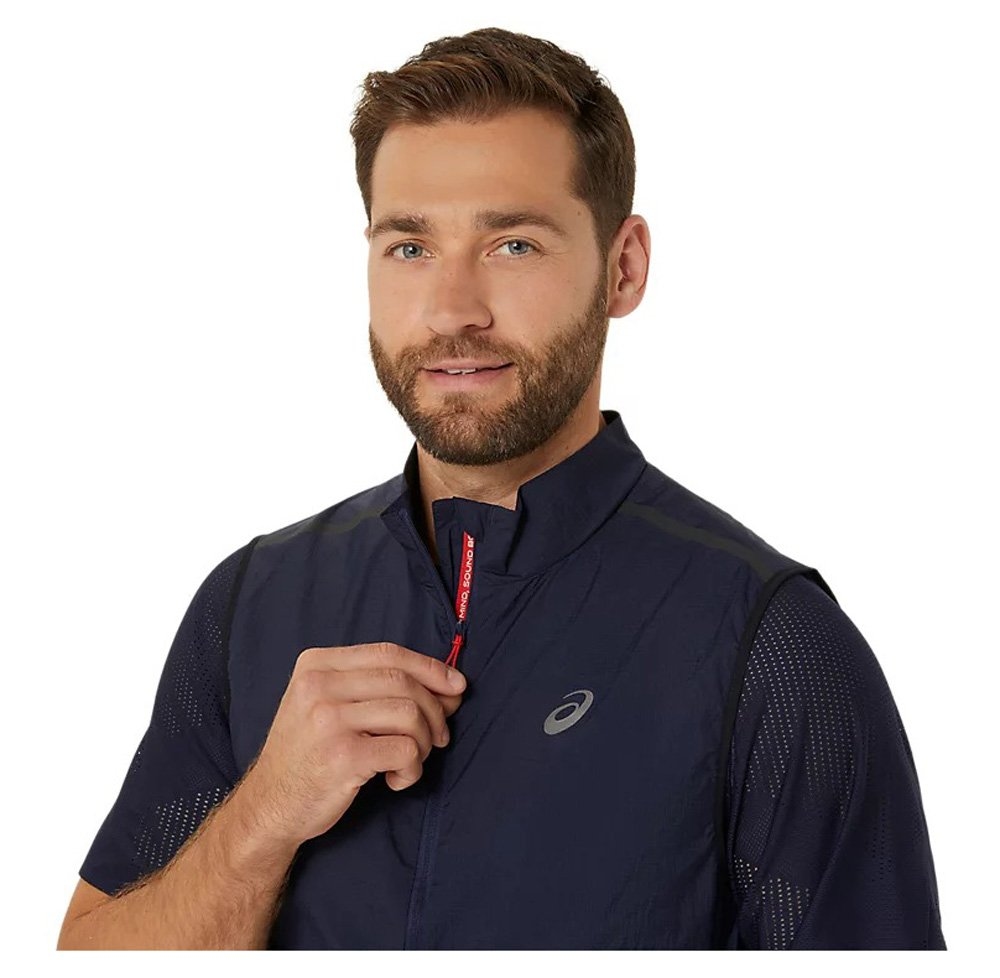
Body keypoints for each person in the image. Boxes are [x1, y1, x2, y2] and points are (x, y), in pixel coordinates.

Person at [57, 27, 945, 950]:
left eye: (513, 244)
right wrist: (264, 817)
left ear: (623, 268)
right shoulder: (252, 607)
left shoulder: (773, 647)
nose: (452, 310)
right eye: (410, 247)